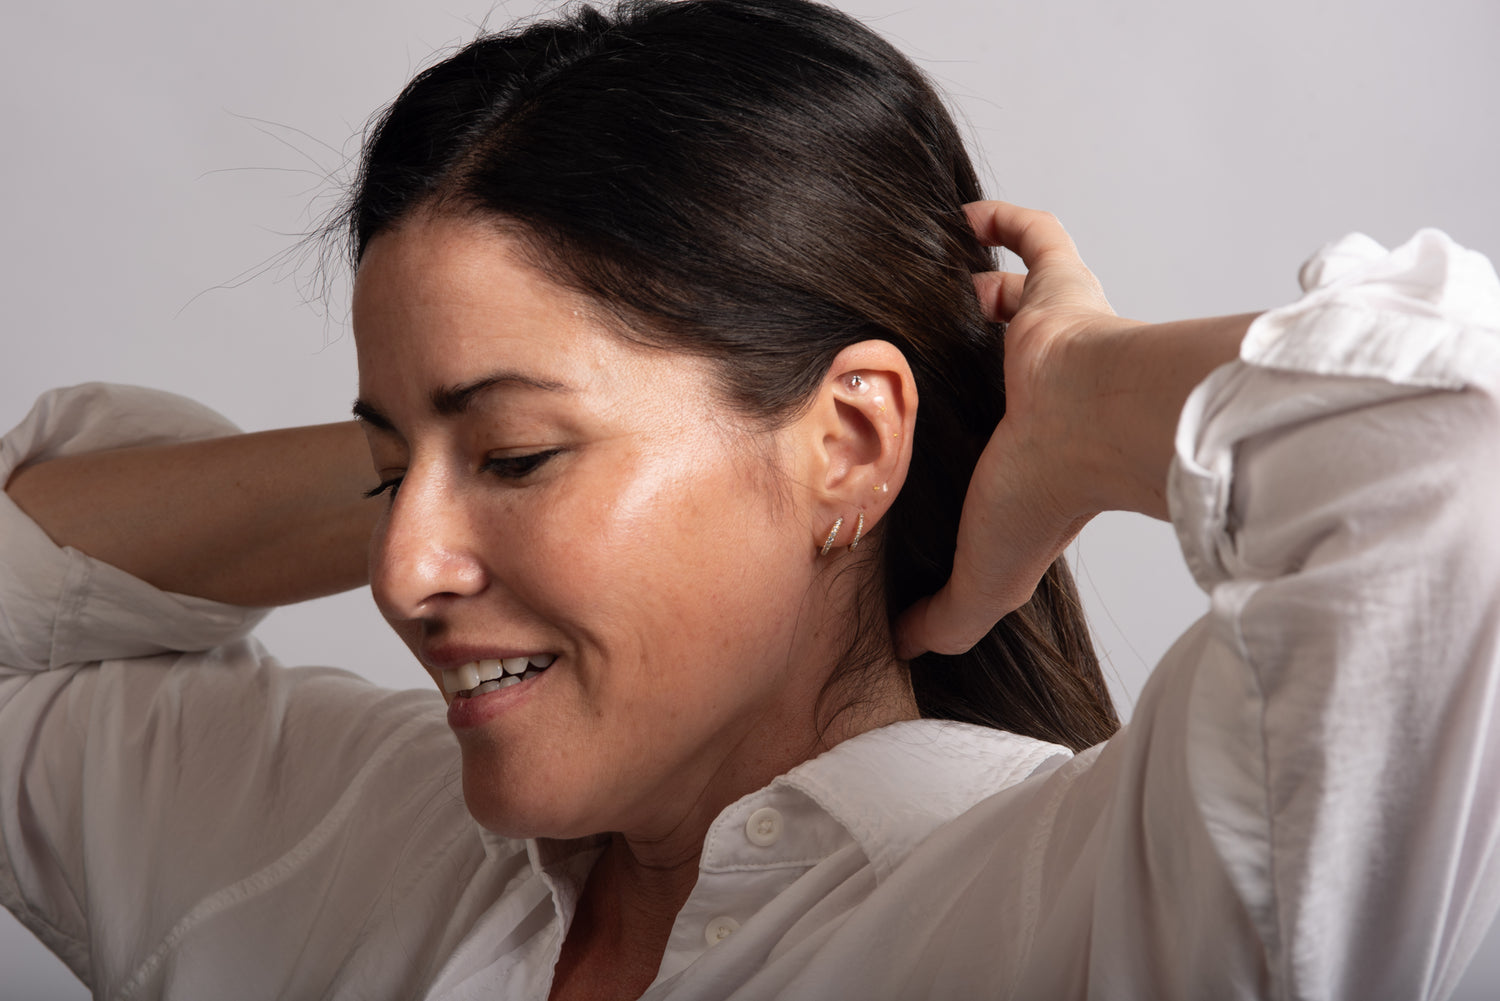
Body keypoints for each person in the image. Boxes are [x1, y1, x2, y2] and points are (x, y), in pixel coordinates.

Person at [2, 0, 1498, 997]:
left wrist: (1076, 402)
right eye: (385, 469)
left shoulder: (1088, 917)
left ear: (848, 443)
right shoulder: (333, 834)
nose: (400, 570)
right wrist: (450, 456)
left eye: (516, 455)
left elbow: (1456, 461)